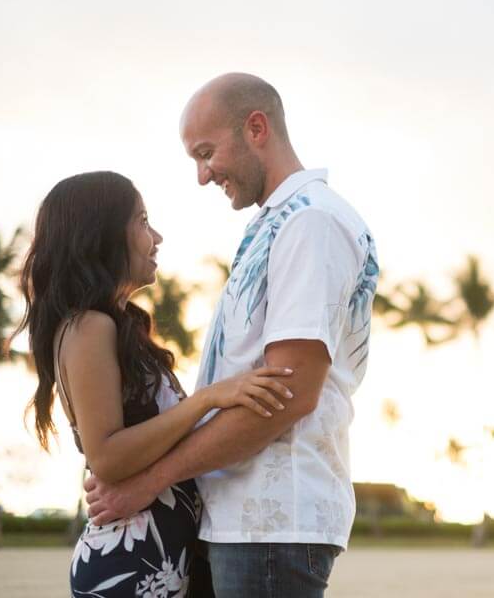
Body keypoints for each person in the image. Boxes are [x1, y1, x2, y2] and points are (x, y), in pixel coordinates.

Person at [84, 73, 379, 597]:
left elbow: (287, 395)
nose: (202, 175)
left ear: (257, 129)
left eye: (206, 152)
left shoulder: (311, 222)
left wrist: (147, 483)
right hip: (241, 521)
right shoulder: (277, 223)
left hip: (271, 523)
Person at [16, 171, 293, 596]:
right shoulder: (88, 327)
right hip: (129, 569)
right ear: (101, 234)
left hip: (158, 562)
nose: (157, 236)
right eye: (142, 221)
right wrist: (205, 400)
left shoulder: (113, 327)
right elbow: (106, 456)